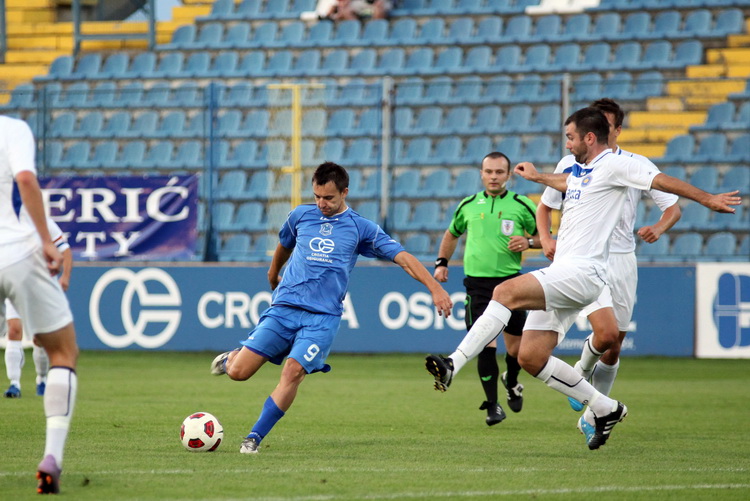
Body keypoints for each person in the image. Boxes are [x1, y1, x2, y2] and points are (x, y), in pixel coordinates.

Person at [425, 107, 740, 450]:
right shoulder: (582, 170)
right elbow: (568, 182)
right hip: (565, 270)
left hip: (583, 272)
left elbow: (661, 181)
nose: (567, 142)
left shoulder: (618, 164)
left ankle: (453, 362)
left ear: (590, 138)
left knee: (505, 291)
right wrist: (537, 176)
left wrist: (708, 198)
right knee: (530, 356)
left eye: (571, 137)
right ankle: (605, 407)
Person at [211, 161, 453, 454]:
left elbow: (402, 257)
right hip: (284, 308)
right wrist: (273, 273)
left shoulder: (361, 228)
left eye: (329, 198)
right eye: (317, 197)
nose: (321, 204)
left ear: (344, 193)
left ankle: (254, 437)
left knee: (293, 371)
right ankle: (231, 360)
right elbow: (284, 244)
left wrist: (435, 287)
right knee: (239, 373)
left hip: (322, 319)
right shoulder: (300, 215)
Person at [535, 98, 681, 444]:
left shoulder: (633, 164)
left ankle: (591, 417)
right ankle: (580, 375)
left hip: (621, 258)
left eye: (605, 123)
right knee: (601, 334)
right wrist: (545, 239)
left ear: (616, 129)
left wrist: (658, 228)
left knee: (614, 342)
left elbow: (672, 208)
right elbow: (545, 206)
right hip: (582, 258)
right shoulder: (571, 163)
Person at [0, 114, 79, 494]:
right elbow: (26, 180)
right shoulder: (12, 128)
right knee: (63, 351)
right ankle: (51, 457)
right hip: (15, 251)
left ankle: (30, 380)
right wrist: (47, 240)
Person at [432, 151, 539, 426]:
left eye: (499, 172)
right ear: (481, 174)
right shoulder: (468, 205)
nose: (493, 177)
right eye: (488, 172)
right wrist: (442, 263)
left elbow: (544, 237)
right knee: (484, 344)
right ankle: (493, 406)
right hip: (478, 286)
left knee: (515, 351)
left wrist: (528, 242)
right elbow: (451, 233)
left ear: (508, 176)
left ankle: (512, 380)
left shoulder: (522, 205)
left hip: (512, 285)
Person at [4, 213, 73, 398]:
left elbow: (65, 250)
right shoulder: (9, 224)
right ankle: (14, 384)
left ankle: (41, 379)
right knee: (14, 329)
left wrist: (65, 277)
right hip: (16, 282)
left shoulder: (46, 223)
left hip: (40, 286)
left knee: (39, 338)